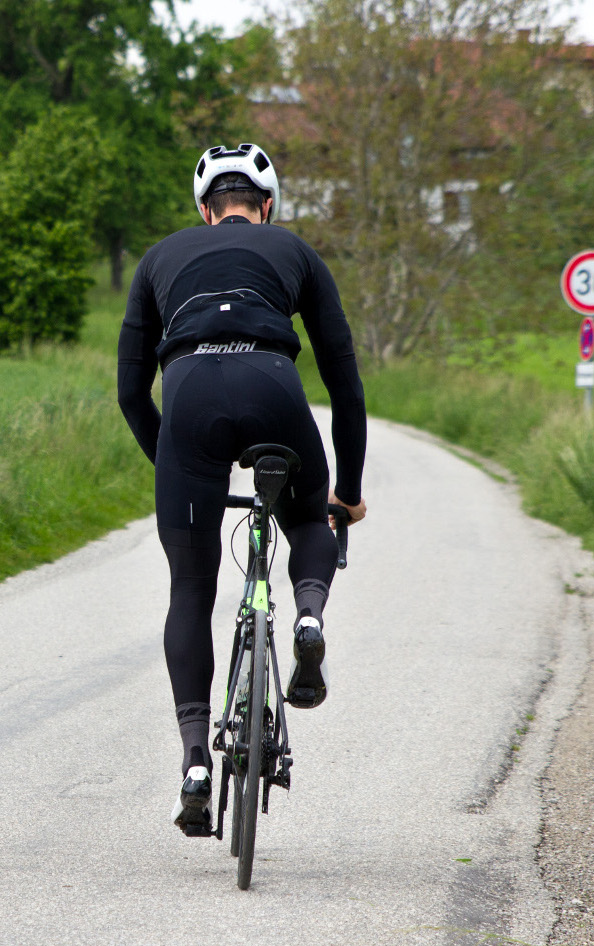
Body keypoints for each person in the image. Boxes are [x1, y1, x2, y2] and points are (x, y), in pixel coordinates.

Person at [117, 143, 367, 833]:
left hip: (190, 398)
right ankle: (308, 616)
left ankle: (196, 760)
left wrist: (173, 465)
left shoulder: (159, 257)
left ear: (205, 210)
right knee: (308, 521)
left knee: (190, 590)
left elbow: (131, 393)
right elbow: (344, 383)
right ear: (267, 207)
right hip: (271, 384)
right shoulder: (295, 251)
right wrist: (345, 491)